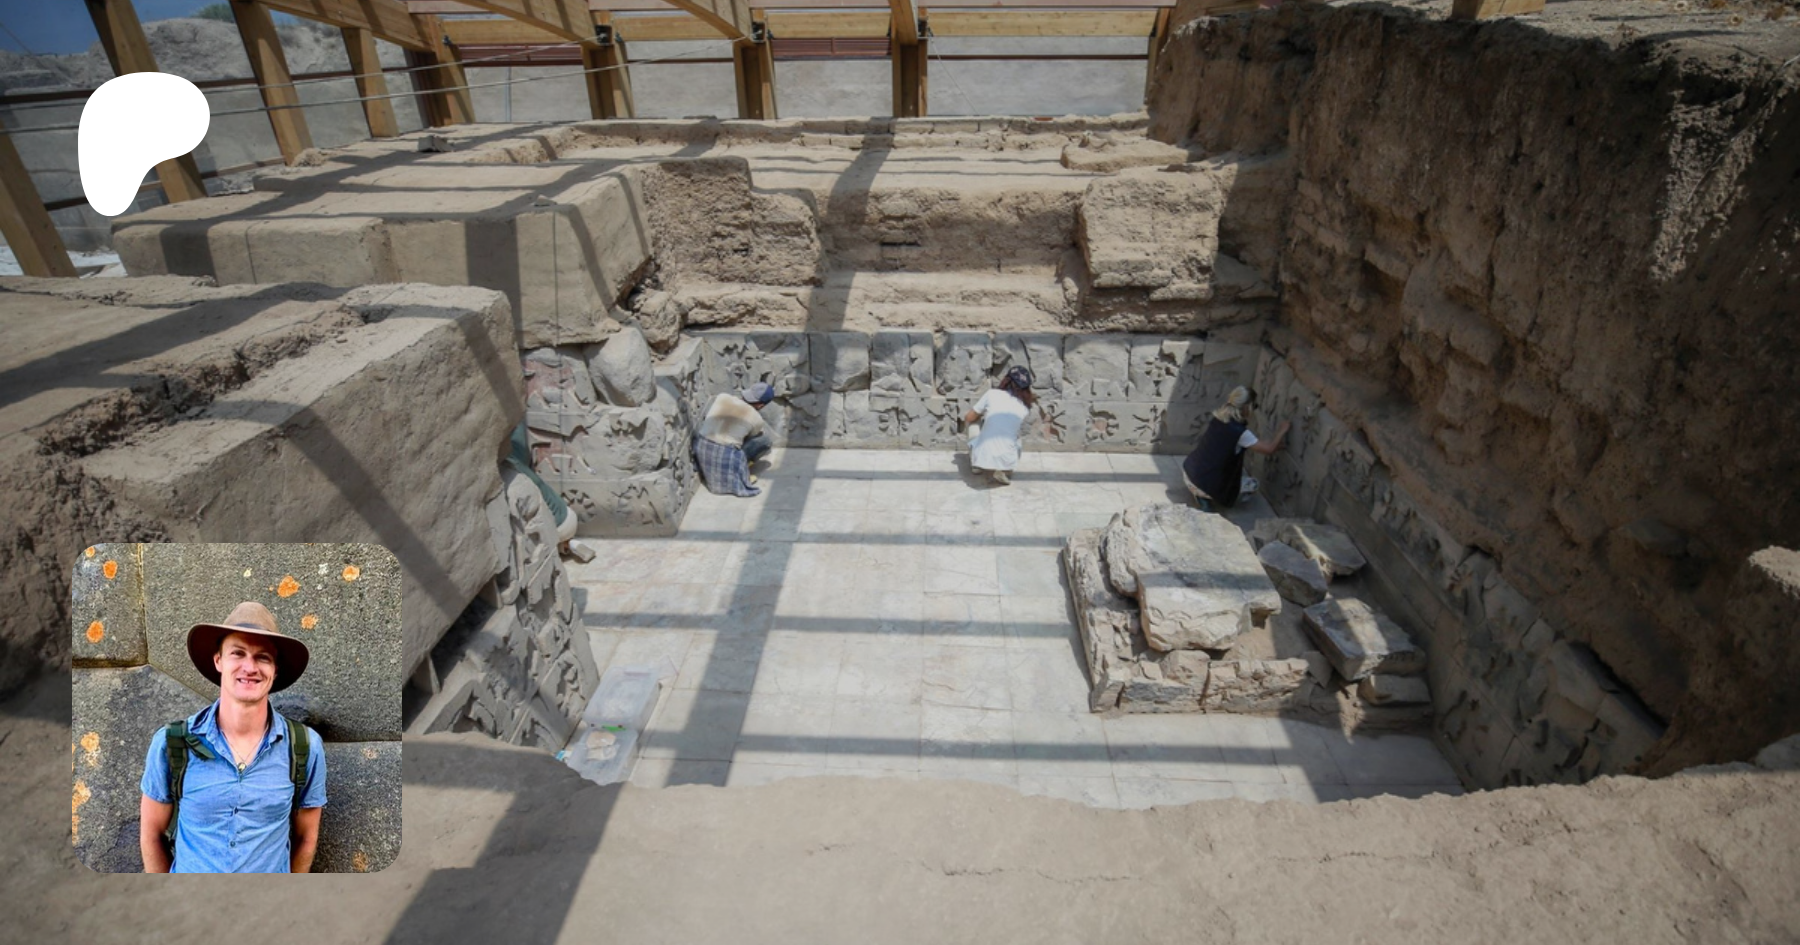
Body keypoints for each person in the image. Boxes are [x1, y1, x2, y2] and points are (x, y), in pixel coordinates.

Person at [139, 601, 326, 873]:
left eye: (263, 657)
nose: (249, 667)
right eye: (238, 653)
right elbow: (151, 835)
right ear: (219, 660)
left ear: (275, 670)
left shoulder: (304, 748)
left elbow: (306, 838)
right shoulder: (171, 743)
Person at [1182, 385, 1290, 511]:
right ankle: (1205, 496)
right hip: (1202, 483)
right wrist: (1282, 430)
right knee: (1253, 484)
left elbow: (1258, 444)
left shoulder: (1219, 418)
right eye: (1254, 406)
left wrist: (1275, 445)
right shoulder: (1240, 433)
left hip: (1189, 471)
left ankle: (1201, 494)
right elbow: (1269, 449)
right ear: (1247, 407)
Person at [696, 382, 776, 497]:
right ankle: (743, 467)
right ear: (760, 406)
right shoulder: (756, 418)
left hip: (701, 447)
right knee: (765, 441)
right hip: (726, 454)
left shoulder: (723, 397)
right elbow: (752, 437)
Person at [963, 366, 1036, 485]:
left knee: (973, 423)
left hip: (984, 454)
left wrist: (981, 415)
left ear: (1006, 381)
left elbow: (968, 417)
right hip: (1008, 461)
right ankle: (1004, 470)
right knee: (1016, 435)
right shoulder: (1024, 408)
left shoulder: (992, 394)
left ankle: (976, 464)